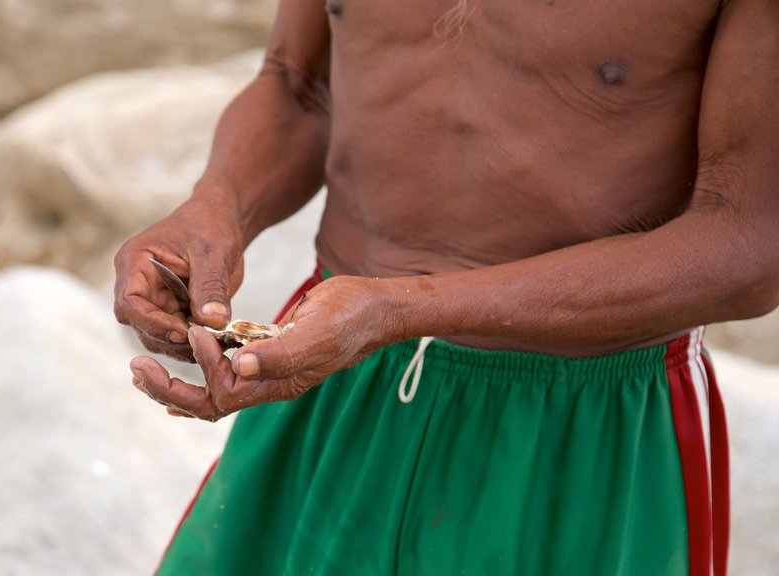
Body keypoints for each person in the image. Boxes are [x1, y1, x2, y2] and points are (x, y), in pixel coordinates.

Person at [113, 0, 778, 573]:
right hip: (332, 374)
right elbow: (300, 86)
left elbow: (749, 246)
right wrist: (218, 206)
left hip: (577, 428)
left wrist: (398, 309)